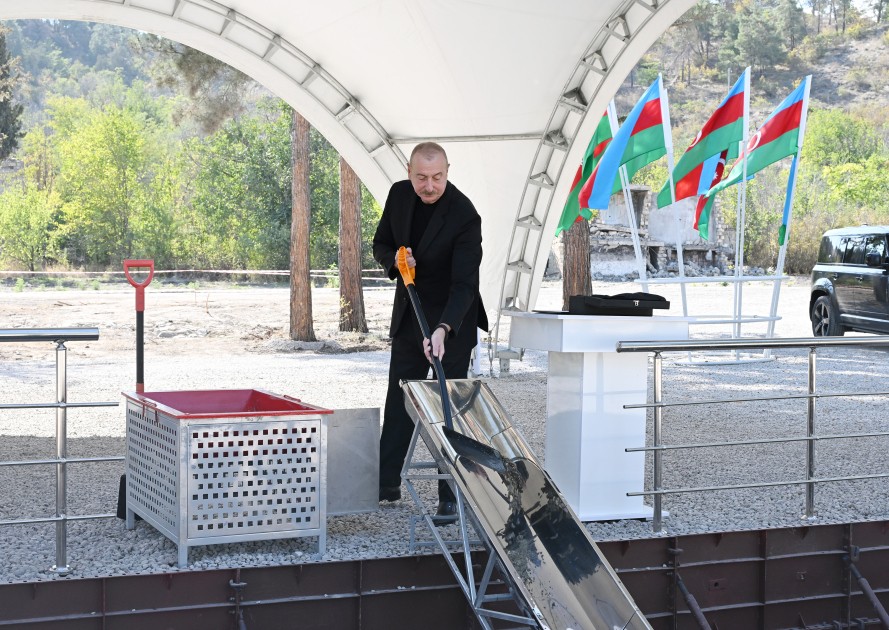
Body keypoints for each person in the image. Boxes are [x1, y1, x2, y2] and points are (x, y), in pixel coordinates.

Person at [373, 142, 488, 520]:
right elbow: (381, 244)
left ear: (447, 171)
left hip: (453, 318)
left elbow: (464, 286)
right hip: (411, 312)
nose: (429, 186)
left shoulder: (465, 215)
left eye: (437, 177)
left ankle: (449, 491)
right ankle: (386, 482)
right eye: (421, 178)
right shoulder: (398, 195)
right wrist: (396, 260)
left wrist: (442, 329)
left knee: (447, 405)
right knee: (400, 399)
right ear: (409, 172)